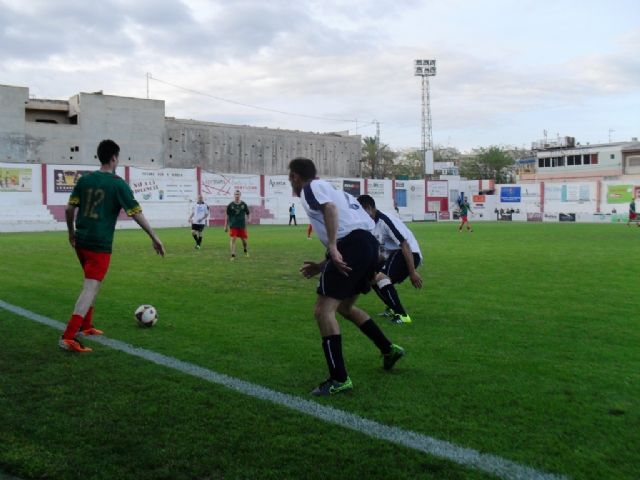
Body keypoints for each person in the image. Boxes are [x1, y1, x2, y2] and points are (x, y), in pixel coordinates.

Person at [288, 157, 404, 397]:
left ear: (296, 177)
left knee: (323, 311)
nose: (291, 182)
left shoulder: (310, 188)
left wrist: (332, 247)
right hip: (367, 245)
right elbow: (354, 227)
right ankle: (388, 348)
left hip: (353, 245)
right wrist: (323, 265)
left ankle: (339, 379)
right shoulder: (331, 189)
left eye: (291, 177)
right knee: (345, 308)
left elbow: (331, 213)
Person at [61, 139, 165, 353]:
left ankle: (86, 327)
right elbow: (136, 213)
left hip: (81, 241)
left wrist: (71, 233)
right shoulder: (118, 184)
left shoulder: (85, 181)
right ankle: (69, 336)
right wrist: (154, 237)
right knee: (90, 288)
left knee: (93, 283)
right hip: (99, 244)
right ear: (114, 158)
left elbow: (69, 210)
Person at [357, 195, 423, 325]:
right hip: (394, 254)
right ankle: (393, 308)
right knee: (372, 278)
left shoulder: (384, 220)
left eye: (361, 211)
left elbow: (404, 244)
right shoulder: (369, 224)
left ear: (369, 208)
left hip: (410, 253)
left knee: (382, 278)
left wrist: (412, 272)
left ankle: (403, 316)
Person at [224, 190, 250, 260]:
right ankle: (233, 255)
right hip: (233, 225)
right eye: (236, 194)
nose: (237, 196)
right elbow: (227, 215)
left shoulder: (244, 204)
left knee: (244, 241)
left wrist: (249, 219)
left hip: (242, 225)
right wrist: (225, 225)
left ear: (240, 195)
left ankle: (245, 250)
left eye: (238, 194)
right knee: (233, 239)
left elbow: (248, 213)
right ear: (234, 195)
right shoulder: (230, 205)